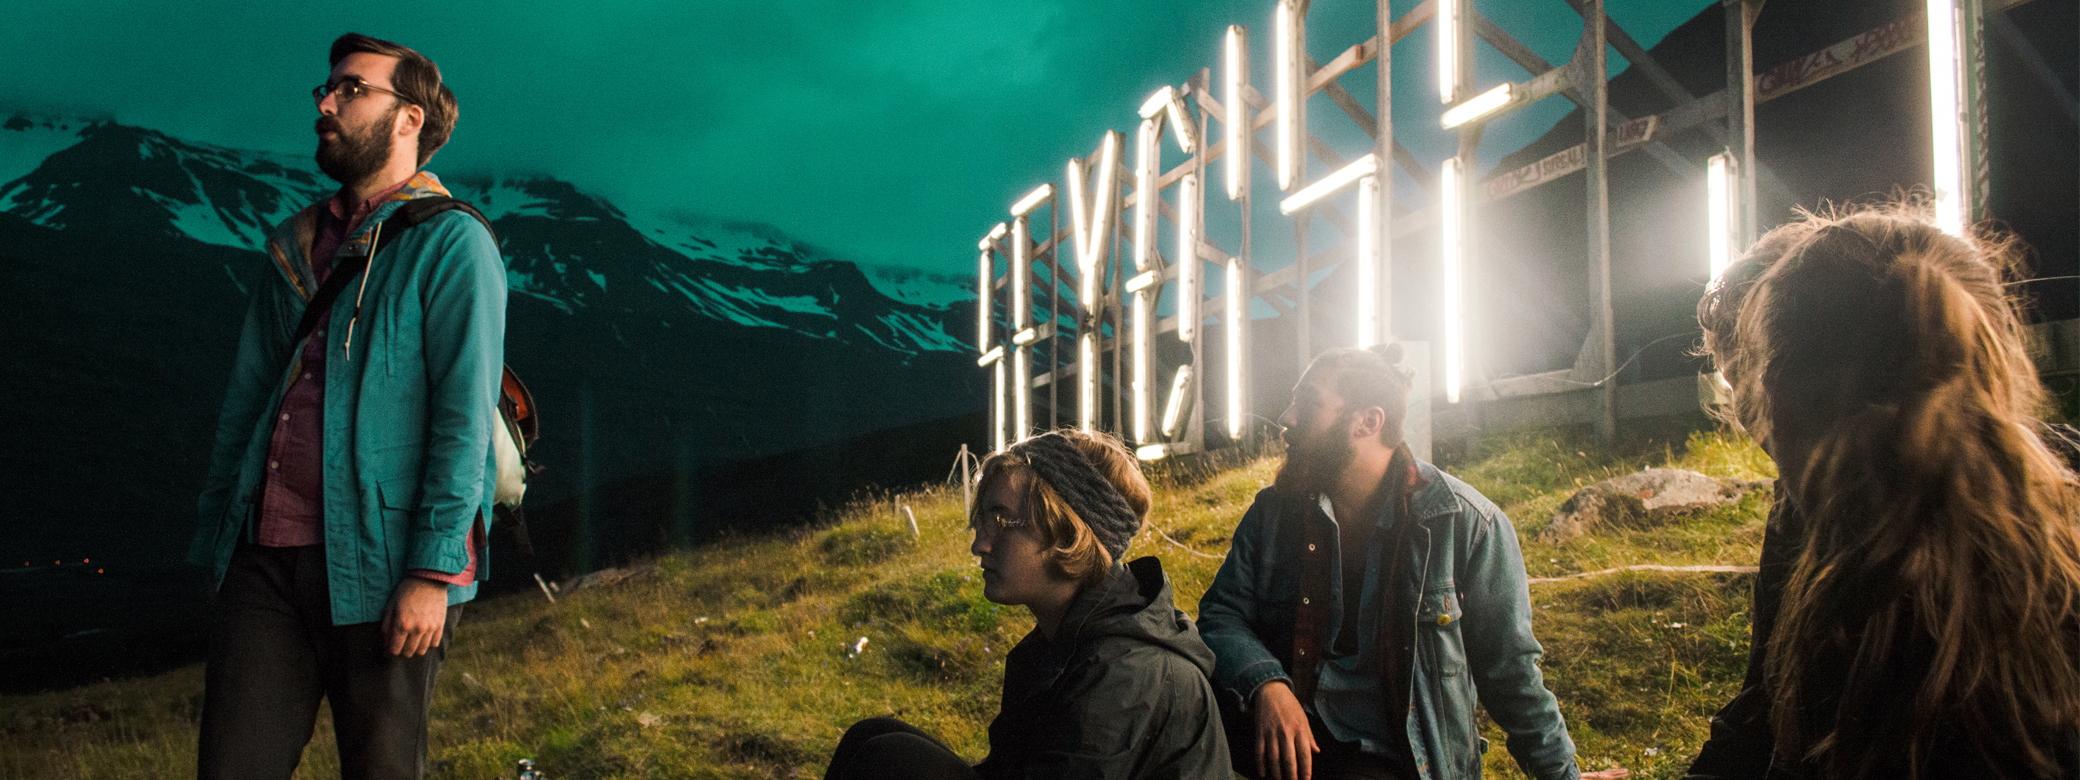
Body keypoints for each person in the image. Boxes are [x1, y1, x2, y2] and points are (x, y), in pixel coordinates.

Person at [189, 33, 504, 779]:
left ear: (409, 119)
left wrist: (432, 573)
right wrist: (217, 549)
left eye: (352, 89)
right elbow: (246, 402)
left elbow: (465, 423)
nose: (326, 103)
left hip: (382, 568)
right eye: (325, 90)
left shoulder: (453, 244)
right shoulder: (296, 244)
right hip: (263, 567)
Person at [1685, 206, 2080, 780]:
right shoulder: (2054, 519)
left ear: (1776, 398)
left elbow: (1776, 731)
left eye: (1738, 377)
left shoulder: (1853, 611)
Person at [1198, 343, 1627, 780]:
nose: (1286, 418)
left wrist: (1562, 776)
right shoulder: (1275, 512)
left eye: (1307, 403)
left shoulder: (1468, 525)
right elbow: (1220, 613)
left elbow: (1511, 676)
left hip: (1395, 762)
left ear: (1368, 421)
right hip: (1286, 754)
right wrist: (1267, 683)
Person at [824, 429, 1231, 780]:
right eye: (983, 522)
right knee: (871, 736)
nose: (979, 544)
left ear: (1068, 535)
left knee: (888, 759)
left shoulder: (1124, 675)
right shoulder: (1060, 645)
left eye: (1002, 522)